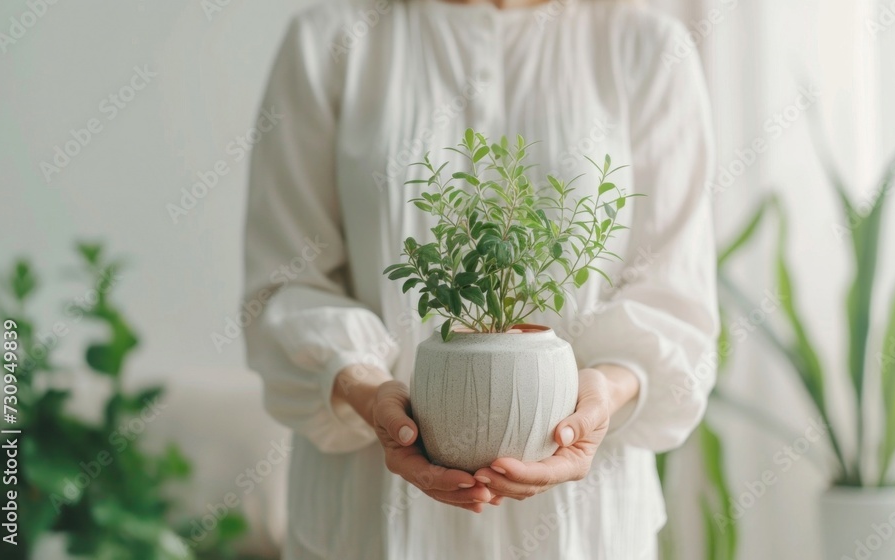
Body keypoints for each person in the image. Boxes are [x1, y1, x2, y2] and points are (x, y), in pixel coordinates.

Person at [242, 0, 718, 557]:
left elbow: (673, 296)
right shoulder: (332, 41)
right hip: (367, 523)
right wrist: (369, 394)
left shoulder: (645, 47)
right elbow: (287, 283)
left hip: (578, 529)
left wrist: (602, 396)